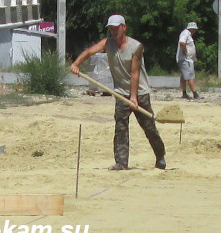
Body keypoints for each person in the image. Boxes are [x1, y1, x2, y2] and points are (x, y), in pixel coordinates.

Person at [70, 14, 166, 171]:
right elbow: (89, 52)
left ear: (124, 27)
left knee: (149, 127)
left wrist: (134, 97)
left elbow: (135, 73)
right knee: (121, 127)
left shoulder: (136, 47)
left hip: (139, 93)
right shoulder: (107, 43)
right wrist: (76, 63)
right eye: (111, 29)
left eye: (116, 28)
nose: (114, 31)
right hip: (121, 93)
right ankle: (121, 162)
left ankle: (160, 156)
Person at [177, 21, 200, 100]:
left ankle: (184, 93)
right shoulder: (185, 33)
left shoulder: (188, 34)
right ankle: (195, 94)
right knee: (190, 76)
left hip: (187, 59)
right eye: (194, 29)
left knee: (184, 76)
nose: (195, 31)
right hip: (186, 59)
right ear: (191, 28)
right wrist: (186, 51)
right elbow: (182, 42)